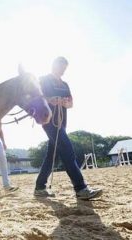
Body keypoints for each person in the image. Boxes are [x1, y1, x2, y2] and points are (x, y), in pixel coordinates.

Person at [34, 57, 102, 200]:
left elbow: (71, 104)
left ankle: (40, 187)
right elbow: (37, 97)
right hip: (49, 120)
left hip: (62, 122)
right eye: (61, 67)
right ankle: (80, 188)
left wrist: (65, 102)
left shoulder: (65, 84)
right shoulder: (43, 79)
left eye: (65, 68)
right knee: (67, 149)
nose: (63, 70)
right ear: (53, 65)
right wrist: (51, 100)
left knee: (52, 155)